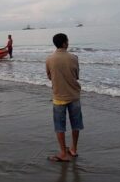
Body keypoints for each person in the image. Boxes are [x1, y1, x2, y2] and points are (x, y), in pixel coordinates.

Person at [46, 33, 83, 162]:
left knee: (59, 126)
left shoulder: (49, 59)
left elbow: (50, 76)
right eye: (67, 41)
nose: (68, 43)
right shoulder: (74, 58)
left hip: (59, 96)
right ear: (64, 43)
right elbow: (76, 76)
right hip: (74, 96)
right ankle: (73, 149)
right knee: (76, 125)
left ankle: (63, 152)